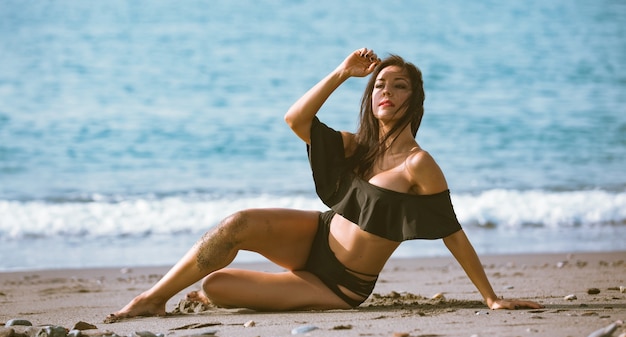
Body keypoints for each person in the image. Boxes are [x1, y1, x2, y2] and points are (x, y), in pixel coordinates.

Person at [105, 48, 542, 322]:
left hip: (338, 283)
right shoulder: (358, 148)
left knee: (216, 287)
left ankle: (284, 288)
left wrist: (491, 298)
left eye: (399, 85)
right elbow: (295, 119)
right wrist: (341, 73)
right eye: (378, 86)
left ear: (415, 99)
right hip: (314, 234)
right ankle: (152, 298)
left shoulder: (419, 164)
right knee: (237, 223)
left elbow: (453, 232)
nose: (385, 91)